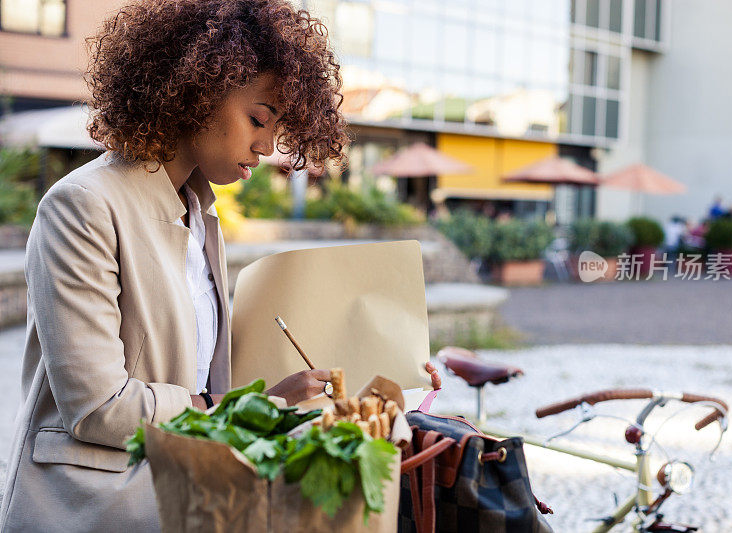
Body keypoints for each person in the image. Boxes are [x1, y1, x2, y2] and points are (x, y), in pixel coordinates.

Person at [0, 1, 439, 531]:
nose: (267, 146)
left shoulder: (197, 212)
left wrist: (394, 371)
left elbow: (198, 374)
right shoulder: (84, 206)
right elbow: (99, 409)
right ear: (196, 90)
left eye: (278, 129)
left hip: (186, 494)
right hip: (96, 503)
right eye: (258, 119)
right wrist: (236, 406)